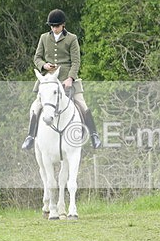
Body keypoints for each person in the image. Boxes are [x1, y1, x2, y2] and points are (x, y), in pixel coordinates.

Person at [21, 9, 101, 150]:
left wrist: (70, 78)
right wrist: (44, 65)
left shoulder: (72, 38)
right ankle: (30, 137)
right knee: (36, 106)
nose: (54, 29)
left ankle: (94, 135)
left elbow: (76, 61)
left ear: (63, 25)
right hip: (48, 80)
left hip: (67, 78)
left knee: (83, 105)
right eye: (52, 26)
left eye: (56, 26)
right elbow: (37, 58)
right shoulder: (44, 38)